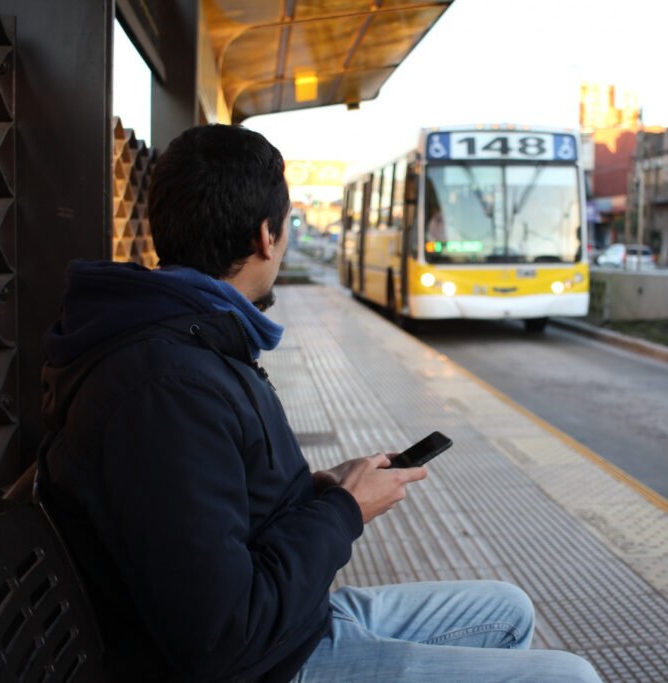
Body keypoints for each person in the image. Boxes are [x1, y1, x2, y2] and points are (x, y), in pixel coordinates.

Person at [38, 124, 601, 683]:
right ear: (266, 235)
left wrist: (318, 489)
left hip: (293, 624)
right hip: (275, 663)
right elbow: (222, 637)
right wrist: (345, 512)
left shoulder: (185, 343)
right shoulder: (166, 387)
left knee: (508, 608)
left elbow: (199, 515)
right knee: (570, 677)